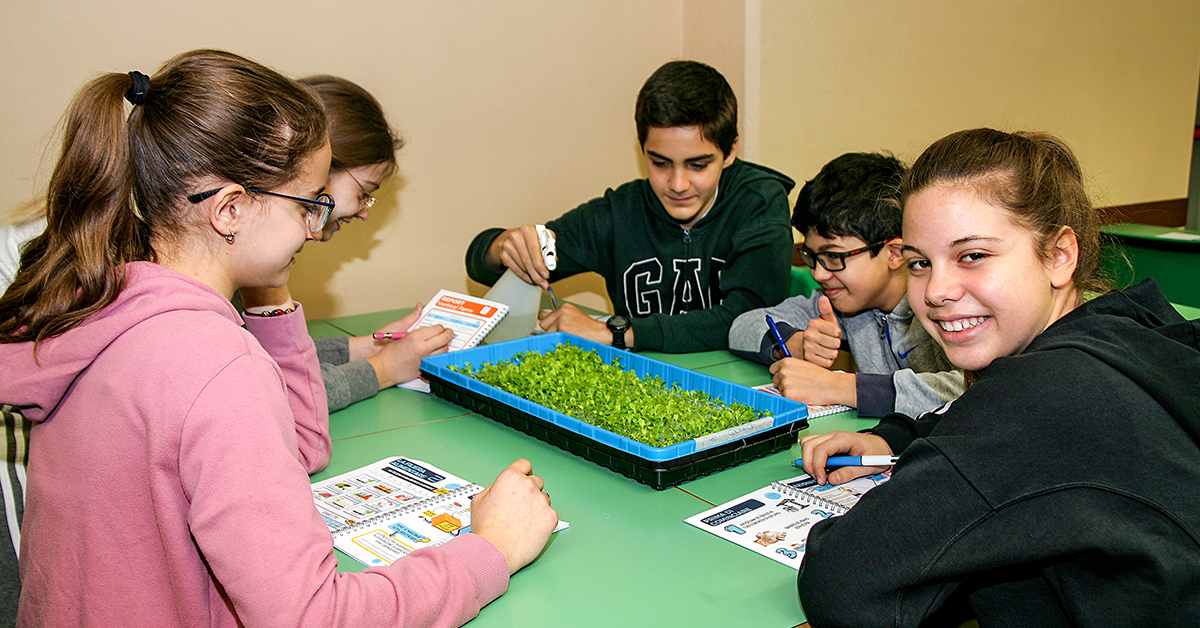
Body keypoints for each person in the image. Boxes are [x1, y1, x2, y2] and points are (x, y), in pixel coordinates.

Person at [0, 49, 557, 627]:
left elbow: (299, 450)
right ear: (231, 210)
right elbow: (311, 618)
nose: (318, 228)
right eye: (308, 206)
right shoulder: (215, 366)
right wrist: (491, 549)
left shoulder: (102, 300)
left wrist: (265, 287)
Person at [795, 128, 1200, 625]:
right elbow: (983, 424)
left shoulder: (1043, 392)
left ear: (1058, 255)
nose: (938, 290)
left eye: (972, 255)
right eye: (921, 263)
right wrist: (898, 437)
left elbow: (841, 583)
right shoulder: (1125, 328)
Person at [464, 60, 795, 353]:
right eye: (660, 163)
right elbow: (479, 262)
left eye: (698, 165)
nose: (678, 184)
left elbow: (750, 318)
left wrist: (617, 332)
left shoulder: (759, 204)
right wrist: (504, 246)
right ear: (643, 150)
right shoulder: (621, 212)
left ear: (731, 152)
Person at [239, 75, 454, 412]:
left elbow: (266, 354)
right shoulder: (248, 268)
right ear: (319, 166)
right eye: (363, 193)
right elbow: (282, 398)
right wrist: (384, 369)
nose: (364, 213)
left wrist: (367, 347)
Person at [728, 152, 963, 417]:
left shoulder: (943, 307)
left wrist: (841, 387)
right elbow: (743, 326)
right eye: (812, 256)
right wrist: (795, 342)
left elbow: (970, 391)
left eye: (833, 257)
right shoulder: (841, 305)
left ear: (895, 253)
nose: (818, 273)